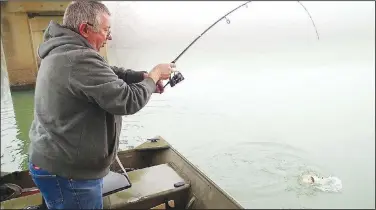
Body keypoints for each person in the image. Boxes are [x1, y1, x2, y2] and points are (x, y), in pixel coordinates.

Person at [27, 1, 174, 209]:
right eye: (106, 30)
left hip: (51, 159)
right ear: (85, 29)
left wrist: (139, 77)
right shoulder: (79, 58)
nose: (109, 37)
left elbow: (105, 70)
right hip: (70, 173)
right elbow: (127, 100)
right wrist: (154, 76)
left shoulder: (63, 50)